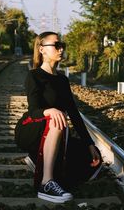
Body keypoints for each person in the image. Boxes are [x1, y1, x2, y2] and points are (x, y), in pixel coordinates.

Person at [15, 31, 102, 204]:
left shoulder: (62, 80)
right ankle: (46, 183)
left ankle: (36, 158)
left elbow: (75, 114)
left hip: (56, 131)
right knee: (56, 118)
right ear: (42, 49)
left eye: (62, 46)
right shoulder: (34, 76)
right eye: (56, 45)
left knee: (93, 160)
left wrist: (89, 143)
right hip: (31, 128)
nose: (61, 49)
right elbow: (33, 111)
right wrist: (50, 111)